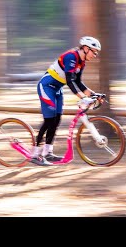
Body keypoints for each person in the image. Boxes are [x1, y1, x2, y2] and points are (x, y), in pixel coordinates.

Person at [31, 36, 103, 166]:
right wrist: (83, 97)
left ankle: (47, 152)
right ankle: (35, 154)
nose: (95, 55)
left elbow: (78, 83)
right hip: (46, 86)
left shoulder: (82, 62)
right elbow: (70, 81)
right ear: (86, 49)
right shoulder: (71, 57)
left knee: (57, 120)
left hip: (57, 89)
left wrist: (94, 95)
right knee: (49, 120)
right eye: (94, 51)